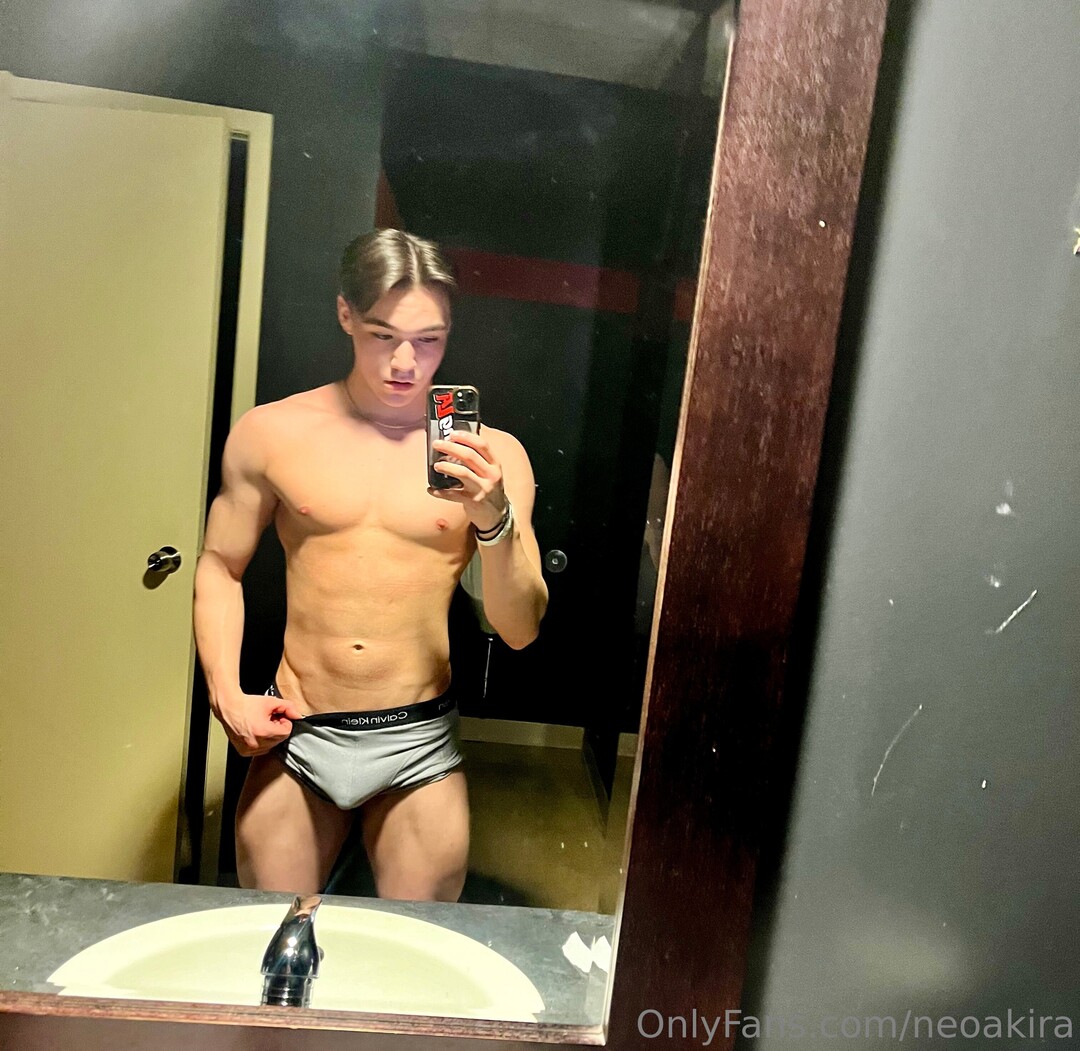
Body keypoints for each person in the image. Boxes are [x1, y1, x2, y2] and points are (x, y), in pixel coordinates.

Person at [193, 229, 548, 901]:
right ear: (345, 314)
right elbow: (219, 565)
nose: (405, 363)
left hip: (419, 742)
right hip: (300, 732)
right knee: (275, 939)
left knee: (411, 948)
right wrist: (226, 693)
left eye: (429, 340)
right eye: (384, 335)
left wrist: (493, 516)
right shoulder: (273, 433)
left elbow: (521, 628)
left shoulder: (495, 456)